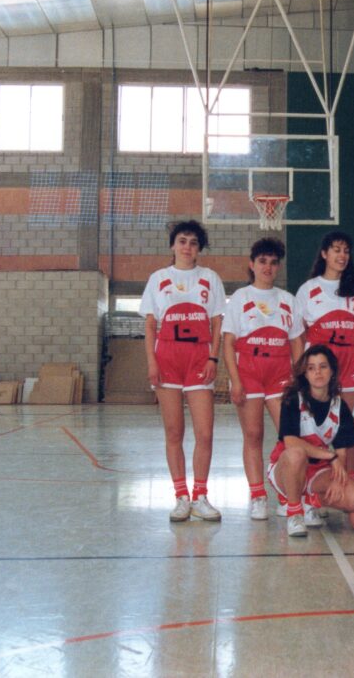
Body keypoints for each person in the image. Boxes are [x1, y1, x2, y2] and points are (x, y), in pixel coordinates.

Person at [140, 220, 226, 522]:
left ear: (199, 248)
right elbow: (150, 325)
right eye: (182, 241)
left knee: (205, 432)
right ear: (173, 245)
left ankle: (200, 495)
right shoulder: (158, 278)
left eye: (193, 242)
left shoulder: (210, 278)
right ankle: (181, 497)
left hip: (199, 357)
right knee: (174, 431)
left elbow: (217, 323)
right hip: (168, 358)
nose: (187, 247)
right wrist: (152, 362)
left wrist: (213, 358)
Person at [222, 237, 304, 521]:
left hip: (280, 374)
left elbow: (296, 343)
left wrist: (299, 378)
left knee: (289, 436)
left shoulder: (288, 300)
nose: (268, 267)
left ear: (278, 266)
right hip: (249, 372)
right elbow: (228, 342)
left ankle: (286, 493)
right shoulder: (240, 298)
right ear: (252, 264)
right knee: (253, 434)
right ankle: (257, 495)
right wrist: (235, 381)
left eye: (273, 262)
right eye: (262, 262)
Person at [268, 345, 354, 537]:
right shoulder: (292, 399)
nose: (318, 372)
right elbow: (291, 443)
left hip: (317, 470)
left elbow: (341, 452)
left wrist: (338, 479)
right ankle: (294, 513)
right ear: (305, 374)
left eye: (323, 366)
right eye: (311, 368)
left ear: (332, 371)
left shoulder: (339, 406)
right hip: (285, 467)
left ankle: (309, 501)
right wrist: (329, 456)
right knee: (296, 454)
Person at [295, 231, 354, 442]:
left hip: (350, 363)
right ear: (324, 253)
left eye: (346, 251)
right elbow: (299, 334)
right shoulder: (308, 289)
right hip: (320, 364)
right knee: (316, 423)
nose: (342, 255)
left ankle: (348, 465)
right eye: (337, 250)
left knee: (349, 426)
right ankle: (320, 463)